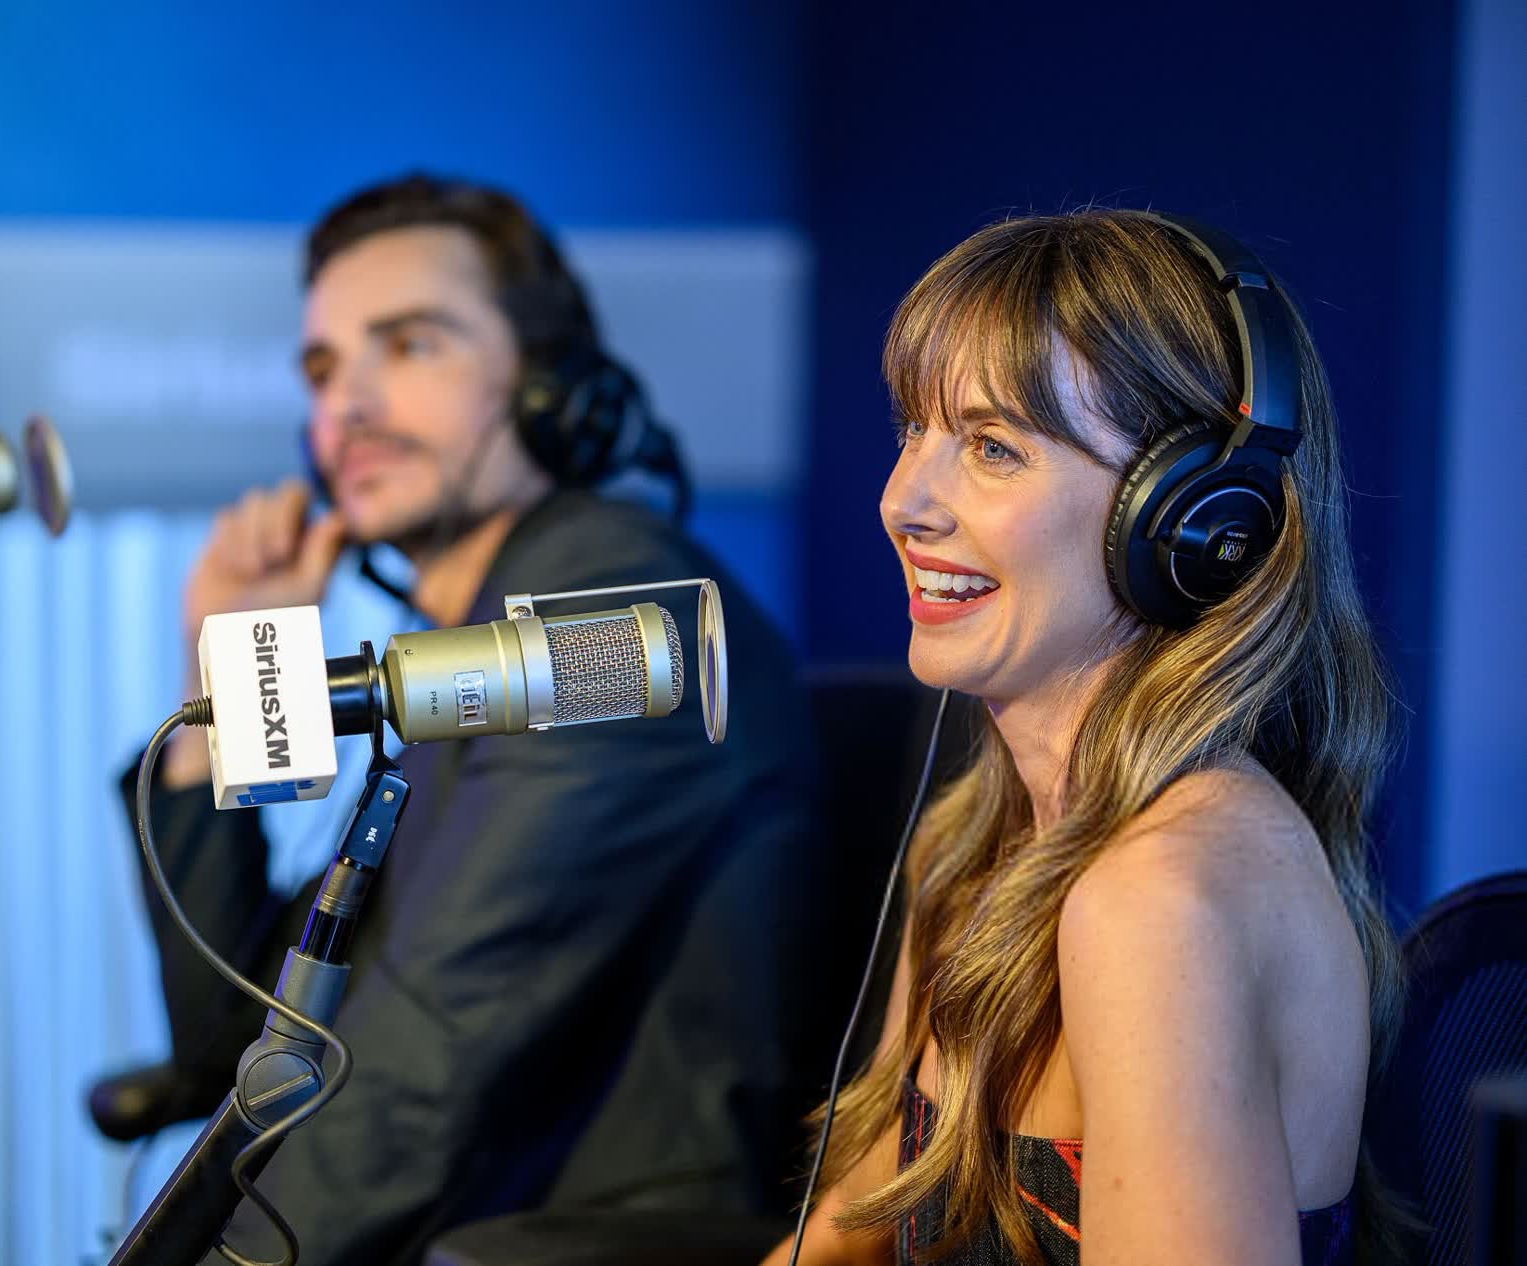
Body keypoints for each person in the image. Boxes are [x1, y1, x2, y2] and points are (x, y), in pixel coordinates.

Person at [115, 174, 827, 1265]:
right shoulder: (460, 658)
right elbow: (235, 1044)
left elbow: (419, 1072)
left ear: (545, 387)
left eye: (410, 345)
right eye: (322, 369)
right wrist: (229, 675)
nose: (348, 406)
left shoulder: (601, 617)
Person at [767, 209, 1404, 1266]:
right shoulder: (975, 847)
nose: (902, 503)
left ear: (1192, 521)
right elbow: (855, 1228)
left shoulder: (1157, 902)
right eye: (912, 431)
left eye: (993, 448)